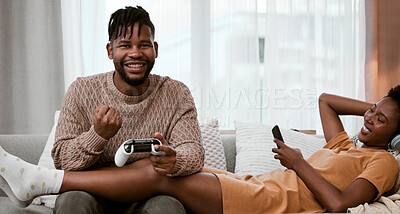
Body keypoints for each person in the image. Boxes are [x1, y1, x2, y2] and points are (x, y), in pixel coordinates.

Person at [49, 5, 204, 214]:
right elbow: (62, 159)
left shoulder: (176, 93)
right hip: (92, 194)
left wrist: (175, 159)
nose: (135, 53)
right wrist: (97, 135)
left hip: (148, 196)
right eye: (125, 45)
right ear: (110, 51)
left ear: (155, 49)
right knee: (72, 201)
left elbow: (194, 152)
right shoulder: (81, 90)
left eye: (143, 45)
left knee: (167, 207)